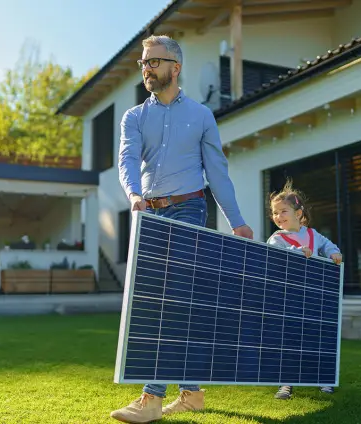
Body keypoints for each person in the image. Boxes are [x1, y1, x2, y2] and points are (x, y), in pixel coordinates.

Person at [109, 34, 253, 424]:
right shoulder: (134, 117)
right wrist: (134, 195)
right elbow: (126, 159)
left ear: (176, 66)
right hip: (151, 214)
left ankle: (151, 398)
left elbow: (217, 173)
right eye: (143, 62)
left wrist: (236, 220)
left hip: (190, 209)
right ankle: (191, 393)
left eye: (154, 61)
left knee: (174, 298)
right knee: (166, 300)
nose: (146, 69)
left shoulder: (202, 116)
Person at [264, 179, 341, 400]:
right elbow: (278, 255)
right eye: (275, 213)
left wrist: (333, 253)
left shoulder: (313, 234)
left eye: (283, 211)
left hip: (314, 296)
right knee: (289, 339)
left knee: (318, 337)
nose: (278, 216)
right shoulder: (276, 239)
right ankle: (286, 383)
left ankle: (324, 379)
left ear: (298, 213)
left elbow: (328, 246)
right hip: (289, 298)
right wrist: (296, 249)